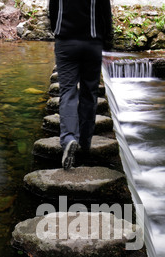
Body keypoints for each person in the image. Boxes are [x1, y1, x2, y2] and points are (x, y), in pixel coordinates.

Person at [48, 0, 113, 170]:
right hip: (92, 43)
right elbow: (105, 12)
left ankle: (69, 138)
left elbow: (52, 10)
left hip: (66, 41)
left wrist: (57, 31)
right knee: (89, 93)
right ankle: (84, 144)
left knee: (68, 91)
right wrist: (108, 41)